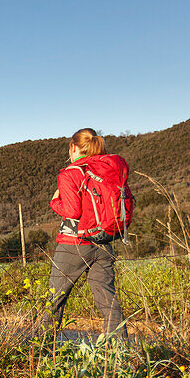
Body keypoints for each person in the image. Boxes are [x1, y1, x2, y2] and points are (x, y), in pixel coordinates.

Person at [46, 128, 133, 338]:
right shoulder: (110, 168)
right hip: (104, 241)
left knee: (54, 300)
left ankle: (41, 351)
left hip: (73, 244)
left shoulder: (70, 172)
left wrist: (54, 202)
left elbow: (73, 211)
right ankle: (121, 353)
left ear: (74, 147)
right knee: (108, 300)